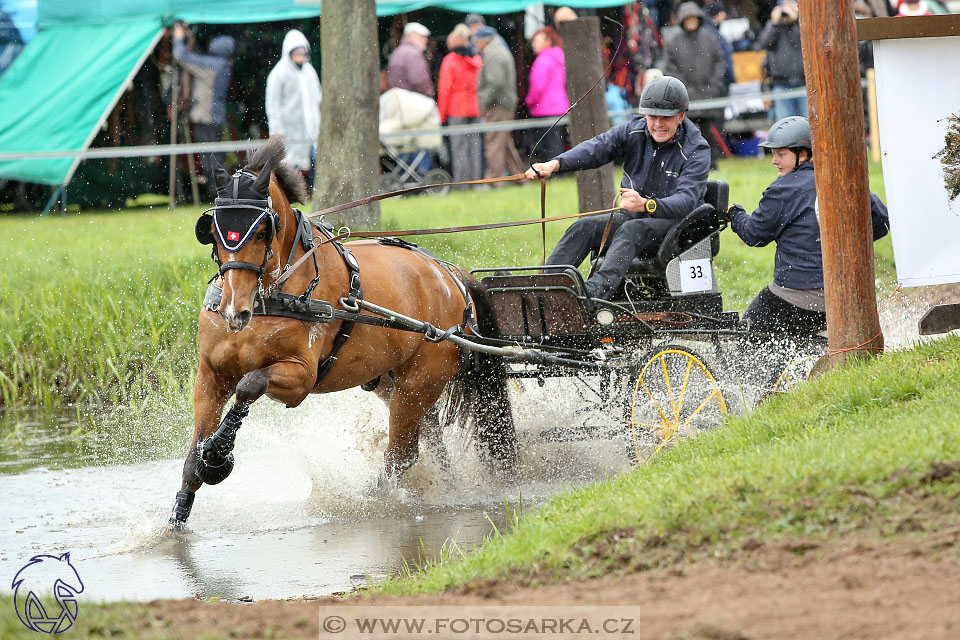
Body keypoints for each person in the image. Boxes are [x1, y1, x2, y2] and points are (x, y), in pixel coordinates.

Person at [525, 76, 711, 300]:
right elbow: (598, 147)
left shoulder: (697, 149)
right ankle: (544, 291)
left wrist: (647, 204)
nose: (658, 124)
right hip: (635, 218)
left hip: (676, 226)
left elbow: (687, 201)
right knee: (584, 226)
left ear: (681, 116)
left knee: (631, 230)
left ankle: (593, 296)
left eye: (666, 118)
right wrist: (555, 164)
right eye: (652, 116)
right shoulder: (634, 130)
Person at [728, 116, 890, 335]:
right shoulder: (840, 178)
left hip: (798, 298)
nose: (774, 161)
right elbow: (882, 223)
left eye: (781, 154)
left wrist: (734, 214)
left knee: (750, 330)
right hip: (847, 297)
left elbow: (754, 235)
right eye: (774, 154)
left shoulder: (783, 190)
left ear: (803, 154)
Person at [661, 2, 727, 168]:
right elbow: (670, 69)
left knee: (708, 133)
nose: (691, 22)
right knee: (685, 134)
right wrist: (685, 91)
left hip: (708, 96)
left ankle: (712, 163)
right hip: (686, 100)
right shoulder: (674, 42)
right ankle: (688, 164)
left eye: (693, 19)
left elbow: (720, 63)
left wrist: (712, 86)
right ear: (682, 21)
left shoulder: (709, 38)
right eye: (688, 19)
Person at [172, 23, 235, 197]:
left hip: (206, 118)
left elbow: (181, 56)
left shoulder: (212, 65)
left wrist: (178, 38)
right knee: (216, 158)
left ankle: (220, 194)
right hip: (215, 117)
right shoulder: (223, 64)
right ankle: (223, 192)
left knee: (210, 160)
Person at [265, 29, 322, 191]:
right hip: (289, 130)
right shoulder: (279, 73)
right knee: (290, 165)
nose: (300, 57)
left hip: (311, 129)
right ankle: (292, 196)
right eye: (296, 53)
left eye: (302, 53)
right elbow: (272, 103)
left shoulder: (309, 72)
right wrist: (276, 128)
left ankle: (311, 192)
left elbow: (318, 98)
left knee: (313, 162)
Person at [475, 26, 525, 181]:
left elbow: (495, 84)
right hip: (503, 104)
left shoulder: (493, 54)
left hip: (498, 106)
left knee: (494, 143)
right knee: (504, 143)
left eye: (476, 41)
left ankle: (493, 180)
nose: (475, 45)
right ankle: (520, 178)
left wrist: (483, 102)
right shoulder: (498, 50)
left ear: (483, 41)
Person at [437, 24, 483, 184]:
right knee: (475, 147)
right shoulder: (476, 59)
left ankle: (462, 184)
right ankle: (476, 181)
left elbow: (444, 90)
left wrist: (441, 115)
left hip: (456, 109)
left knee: (459, 149)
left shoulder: (450, 61)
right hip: (475, 108)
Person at [754, 0, 807, 122]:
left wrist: (797, 20)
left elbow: (808, 41)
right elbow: (761, 45)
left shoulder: (801, 25)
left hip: (804, 83)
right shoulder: (774, 27)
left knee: (808, 124)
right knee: (785, 125)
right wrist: (774, 23)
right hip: (781, 84)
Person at [525, 27, 570, 162]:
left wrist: (529, 101)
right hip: (559, 106)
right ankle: (560, 170)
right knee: (557, 143)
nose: (534, 44)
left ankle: (553, 172)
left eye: (536, 40)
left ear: (547, 41)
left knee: (549, 145)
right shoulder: (558, 57)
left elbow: (538, 86)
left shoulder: (543, 60)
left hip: (544, 108)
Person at [387, 22, 434, 98]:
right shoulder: (413, 53)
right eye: (422, 36)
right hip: (413, 102)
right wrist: (429, 94)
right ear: (411, 36)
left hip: (399, 100)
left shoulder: (397, 52)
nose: (426, 40)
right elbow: (418, 80)